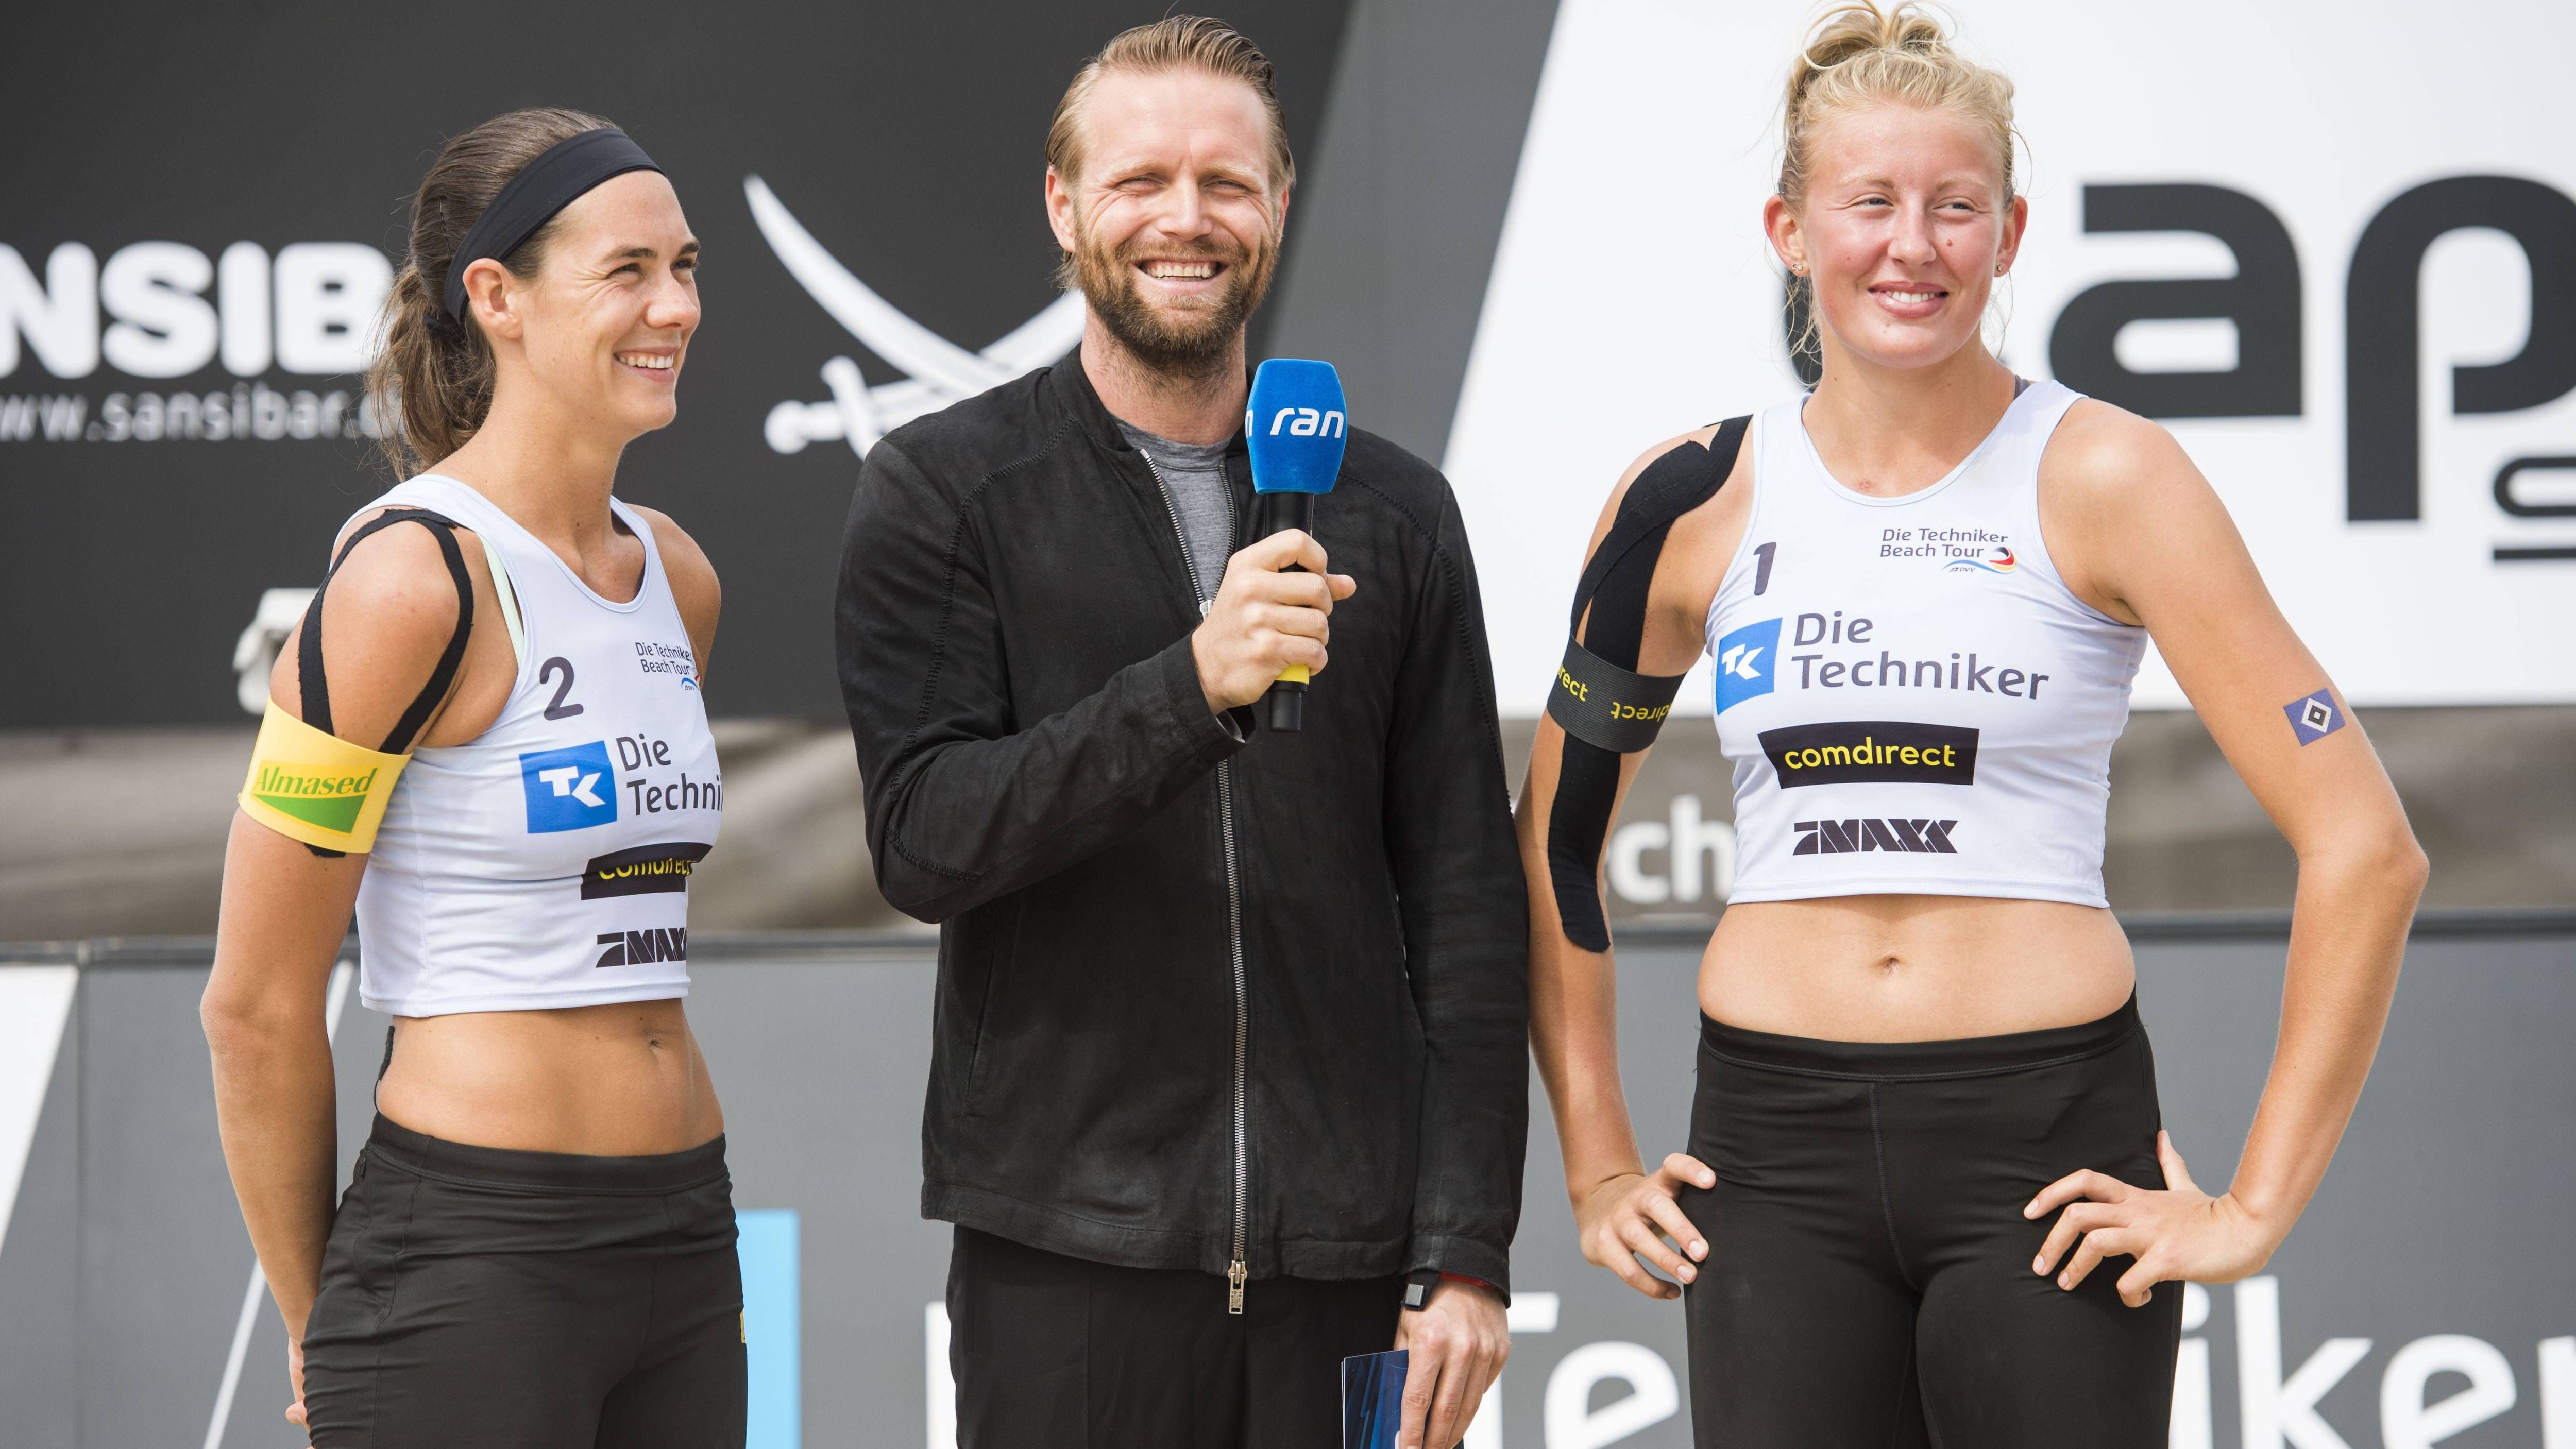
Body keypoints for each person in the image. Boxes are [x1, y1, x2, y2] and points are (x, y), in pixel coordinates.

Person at [1520, 6, 2427, 1445]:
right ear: (1789, 227)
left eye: (1955, 207)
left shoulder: (2111, 474)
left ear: (2009, 236)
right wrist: (1592, 1163)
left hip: (2044, 1147)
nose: (1913, 246)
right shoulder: (1685, 499)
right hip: (1773, 1158)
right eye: (1870, 203)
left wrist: (2255, 1205)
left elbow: (2367, 846)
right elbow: (1558, 848)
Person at [835, 18, 1525, 1449]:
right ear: (1065, 203)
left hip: (1346, 1262)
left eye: (1226, 182)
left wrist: (1463, 1250)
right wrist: (1190, 691)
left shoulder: (1392, 512)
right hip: (1069, 1256)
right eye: (1142, 178)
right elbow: (924, 841)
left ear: (1278, 205)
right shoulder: (944, 491)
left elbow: (1463, 899)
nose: (1184, 219)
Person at [200, 109, 738, 1447]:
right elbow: (257, 1006)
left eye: (686, 267)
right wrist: (317, 1314)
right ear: (494, 297)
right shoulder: (403, 581)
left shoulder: (677, 575)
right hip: (470, 1252)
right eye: (628, 271)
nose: (673, 305)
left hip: (686, 1236)